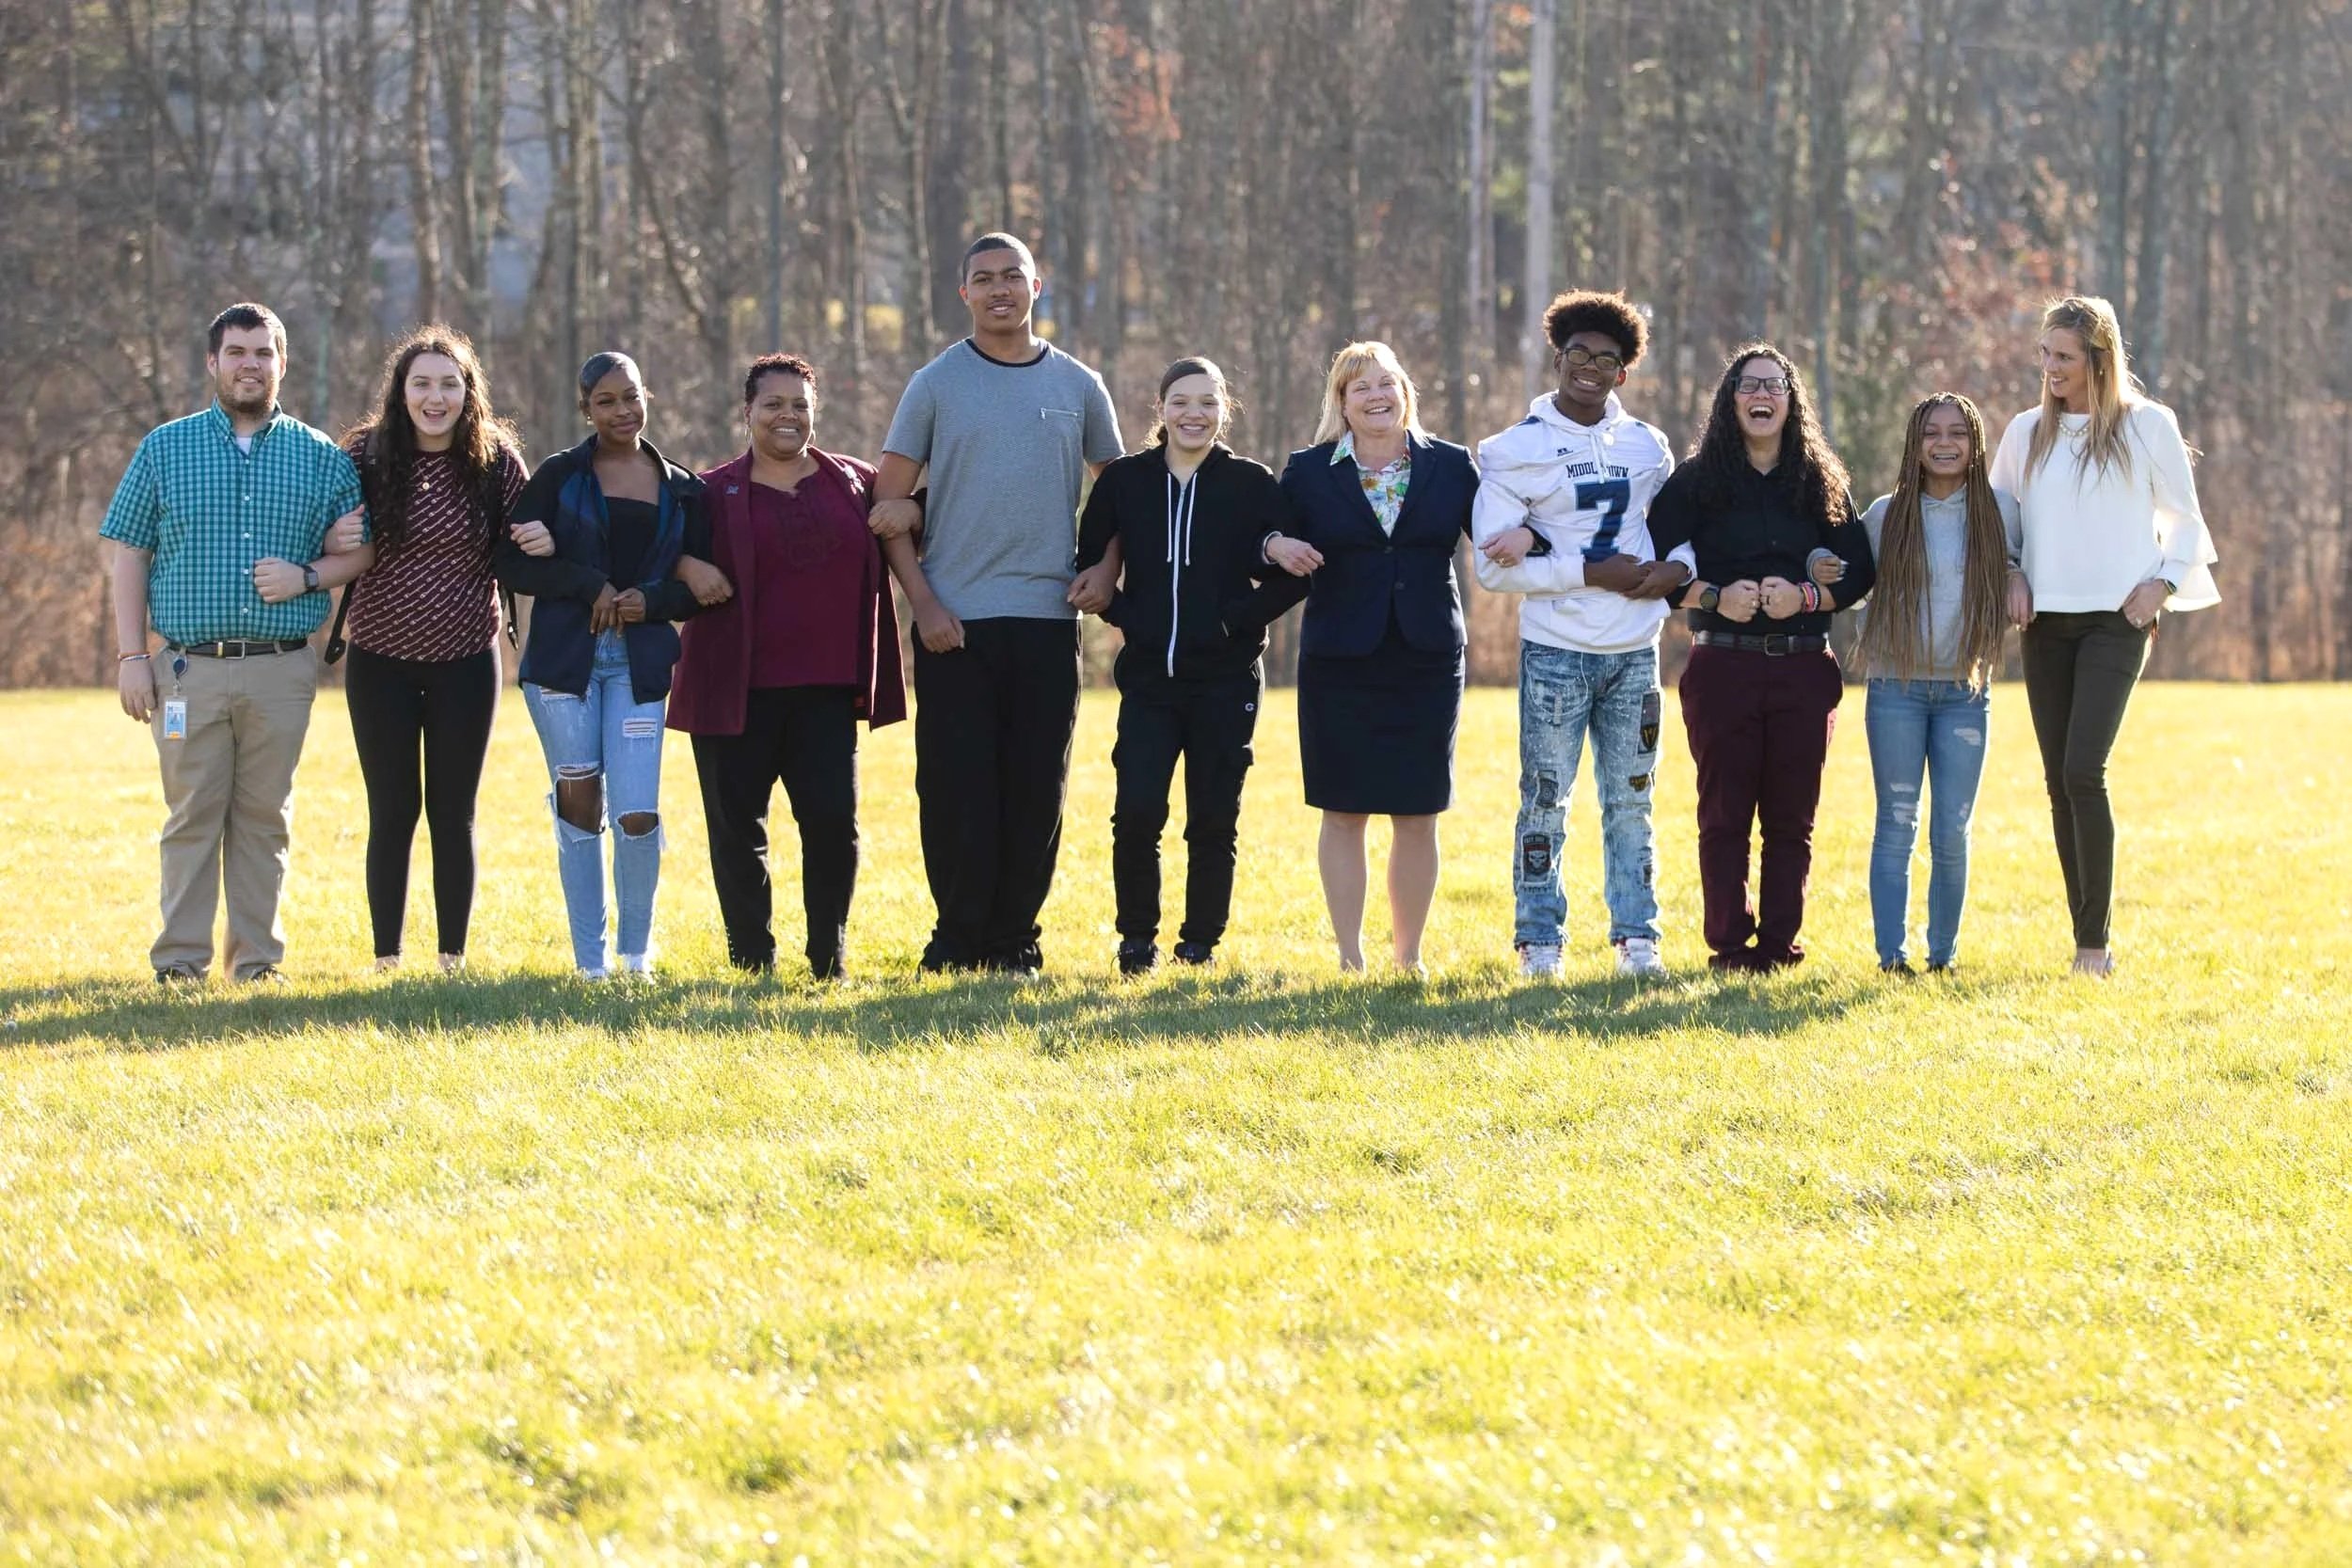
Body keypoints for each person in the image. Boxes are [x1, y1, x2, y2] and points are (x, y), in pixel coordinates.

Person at [870, 232, 1123, 975]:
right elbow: (888, 506)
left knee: (1035, 788)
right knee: (955, 788)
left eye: (1013, 276)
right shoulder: (935, 384)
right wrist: (925, 604)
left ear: (1038, 286)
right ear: (965, 294)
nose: (1000, 289)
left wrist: (1106, 568)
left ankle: (1016, 941)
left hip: (1048, 620)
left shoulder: (1079, 385)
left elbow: (1119, 493)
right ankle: (956, 939)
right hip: (955, 623)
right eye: (984, 279)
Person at [102, 303, 369, 985]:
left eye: (263, 352)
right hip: (188, 669)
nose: (250, 364)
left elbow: (362, 551)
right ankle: (180, 964)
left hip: (281, 671)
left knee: (264, 818)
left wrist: (309, 575)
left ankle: (256, 962)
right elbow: (127, 550)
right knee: (191, 815)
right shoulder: (166, 447)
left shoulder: (320, 456)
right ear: (213, 363)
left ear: (283, 363)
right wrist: (133, 656)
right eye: (237, 352)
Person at [669, 354, 924, 979]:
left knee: (834, 826)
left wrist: (914, 510)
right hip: (734, 691)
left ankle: (826, 957)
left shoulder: (853, 480)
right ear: (747, 411)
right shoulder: (709, 491)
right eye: (773, 404)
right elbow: (655, 545)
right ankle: (752, 957)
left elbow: (914, 513)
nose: (788, 416)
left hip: (826, 692)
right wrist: (685, 566)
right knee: (737, 831)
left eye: (800, 405)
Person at [1989, 295, 2218, 978]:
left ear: (2099, 358)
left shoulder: (2149, 427)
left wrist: (2164, 585)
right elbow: (2001, 513)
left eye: (2063, 357)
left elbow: (2186, 521)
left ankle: (2096, 946)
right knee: (2059, 782)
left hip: (2118, 622)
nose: (2050, 368)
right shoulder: (2025, 432)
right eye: (2045, 355)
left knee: (2084, 769)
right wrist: (2009, 571)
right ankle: (2083, 931)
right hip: (2047, 623)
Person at [1471, 290, 1690, 980]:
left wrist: (1676, 569)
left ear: (1623, 371)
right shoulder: (1516, 448)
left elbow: (1681, 531)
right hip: (1558, 650)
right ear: (1557, 356)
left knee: (1632, 797)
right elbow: (1490, 571)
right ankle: (1539, 938)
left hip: (1634, 649)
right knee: (1544, 794)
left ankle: (1637, 934)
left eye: (1607, 358)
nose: (1590, 368)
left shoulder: (1648, 446)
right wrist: (1587, 570)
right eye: (1578, 354)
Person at [1073, 356, 1316, 974]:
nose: (1194, 413)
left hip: (1226, 681)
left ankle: (1199, 944)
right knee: (1136, 813)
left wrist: (1236, 620)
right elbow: (1089, 559)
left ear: (1224, 410)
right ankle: (1136, 940)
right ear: (1161, 409)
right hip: (1150, 682)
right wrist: (1127, 616)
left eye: (1208, 402)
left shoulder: (1251, 482)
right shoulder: (1126, 481)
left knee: (1212, 818)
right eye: (1181, 401)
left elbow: (1296, 573)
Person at [494, 352, 723, 979]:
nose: (622, 411)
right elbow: (510, 562)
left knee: (636, 812)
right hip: (564, 666)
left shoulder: (683, 488)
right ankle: (590, 962)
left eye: (632, 397)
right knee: (578, 803)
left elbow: (702, 587)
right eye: (606, 401)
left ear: (647, 396)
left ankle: (635, 953)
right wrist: (585, 583)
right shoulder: (560, 476)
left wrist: (648, 600)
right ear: (585, 409)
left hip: (639, 664)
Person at [1648, 343, 1876, 973]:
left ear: (1791, 400)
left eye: (1775, 385)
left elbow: (1859, 572)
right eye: (1750, 385)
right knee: (1723, 815)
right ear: (1731, 400)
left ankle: (1778, 946)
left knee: (1790, 819)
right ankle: (1728, 944)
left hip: (1804, 668)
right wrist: (1716, 596)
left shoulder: (1822, 481)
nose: (1763, 395)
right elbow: (1656, 565)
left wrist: (1803, 594)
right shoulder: (1697, 481)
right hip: (1723, 667)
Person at [332, 325, 530, 974]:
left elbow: (525, 543)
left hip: (467, 662)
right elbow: (329, 529)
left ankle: (452, 958)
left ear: (469, 391)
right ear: (401, 390)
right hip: (379, 659)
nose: (435, 397)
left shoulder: (496, 460)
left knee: (453, 813)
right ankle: (386, 957)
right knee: (392, 811)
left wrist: (543, 543)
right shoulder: (366, 454)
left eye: (450, 383)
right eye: (422, 383)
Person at [1278, 341, 1479, 975]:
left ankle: (1408, 956)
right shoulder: (1308, 471)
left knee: (1418, 811)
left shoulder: (1451, 465)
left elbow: (1500, 529)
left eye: (1386, 383)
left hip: (1426, 659)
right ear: (1340, 401)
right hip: (1339, 659)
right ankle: (1348, 956)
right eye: (1359, 387)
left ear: (1405, 392)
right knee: (1343, 810)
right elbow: (1263, 536)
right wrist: (1275, 541)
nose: (1376, 396)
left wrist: (1526, 532)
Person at [1842, 393, 2020, 975]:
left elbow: (2019, 566)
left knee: (1952, 827)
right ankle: (1891, 957)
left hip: (1966, 692)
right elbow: (1852, 582)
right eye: (1931, 434)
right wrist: (1823, 565)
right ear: (1914, 446)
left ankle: (1942, 956)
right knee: (1896, 820)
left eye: (1958, 434)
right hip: (1895, 686)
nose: (1944, 444)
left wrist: (2017, 576)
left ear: (1975, 445)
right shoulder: (1886, 514)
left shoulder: (2000, 510)